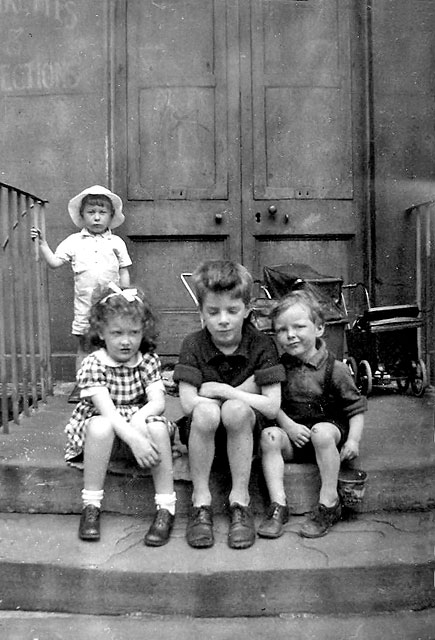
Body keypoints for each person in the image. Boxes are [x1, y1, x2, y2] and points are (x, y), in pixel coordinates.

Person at [173, 260, 285, 549]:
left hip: (245, 431)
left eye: (232, 311)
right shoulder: (193, 344)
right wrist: (242, 391)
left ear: (247, 310)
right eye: (213, 311)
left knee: (234, 410)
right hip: (203, 430)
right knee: (206, 410)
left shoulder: (261, 344)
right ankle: (201, 501)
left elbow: (271, 407)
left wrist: (224, 391)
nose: (223, 319)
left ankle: (240, 500)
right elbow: (188, 403)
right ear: (201, 313)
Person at [64, 283, 176, 546]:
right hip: (105, 437)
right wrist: (134, 438)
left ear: (143, 331)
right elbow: (110, 413)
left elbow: (157, 401)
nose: (126, 341)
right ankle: (91, 505)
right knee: (101, 425)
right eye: (117, 333)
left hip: (136, 429)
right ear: (101, 332)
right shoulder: (94, 363)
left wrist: (139, 420)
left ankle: (166, 507)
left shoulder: (147, 360)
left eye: (134, 332)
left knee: (157, 427)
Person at [258, 288, 366, 540]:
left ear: (319, 329)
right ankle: (278, 505)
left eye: (298, 327)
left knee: (322, 432)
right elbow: (273, 405)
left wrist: (353, 440)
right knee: (269, 436)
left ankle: (329, 502)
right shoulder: (279, 368)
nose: (290, 335)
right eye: (282, 330)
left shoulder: (335, 369)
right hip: (293, 438)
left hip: (327, 437)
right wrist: (289, 427)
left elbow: (356, 408)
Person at [31, 185, 132, 402]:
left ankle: (112, 385)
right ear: (82, 215)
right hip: (85, 305)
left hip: (111, 304)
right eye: (91, 212)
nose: (96, 218)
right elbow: (55, 263)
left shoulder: (116, 242)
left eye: (102, 213)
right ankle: (82, 385)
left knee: (111, 343)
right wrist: (42, 244)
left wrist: (125, 297)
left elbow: (124, 270)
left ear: (111, 216)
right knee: (86, 346)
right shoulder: (74, 241)